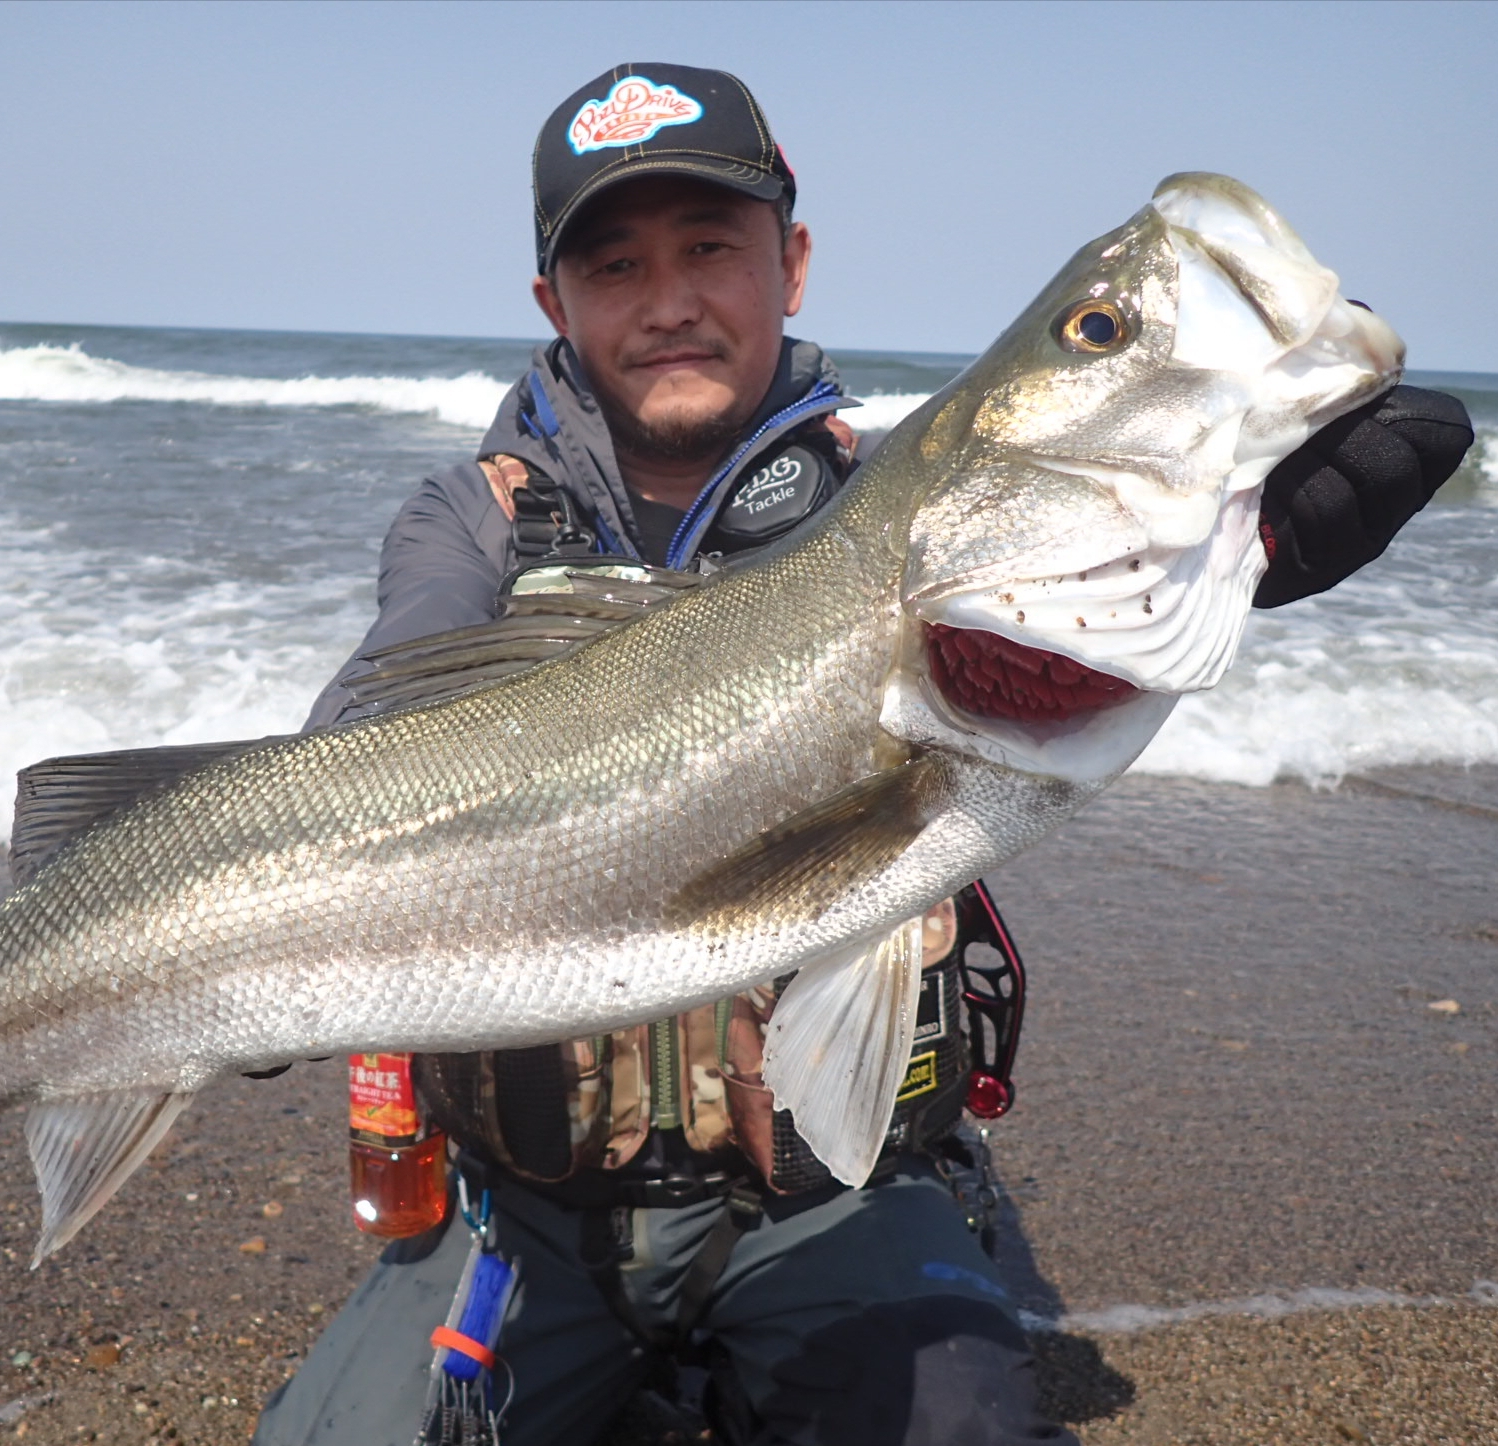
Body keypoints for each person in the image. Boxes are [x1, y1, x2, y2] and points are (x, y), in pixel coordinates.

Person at [252, 63, 1474, 1446]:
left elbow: (1055, 601)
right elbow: (369, 718)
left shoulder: (906, 494)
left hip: (831, 1192)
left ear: (793, 260)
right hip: (529, 1204)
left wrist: (1239, 542)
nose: (667, 299)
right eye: (614, 262)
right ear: (555, 303)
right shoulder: (468, 521)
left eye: (710, 246)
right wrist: (260, 919)